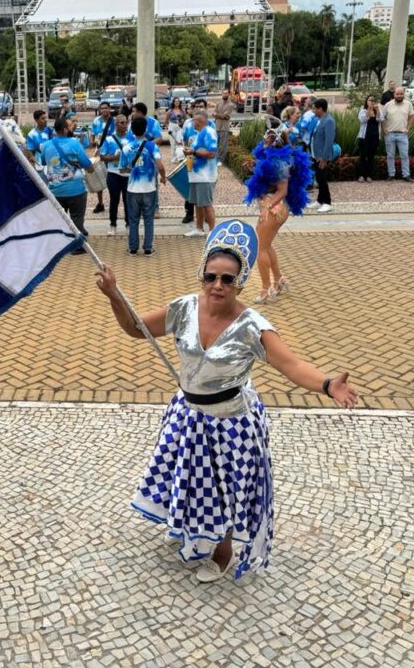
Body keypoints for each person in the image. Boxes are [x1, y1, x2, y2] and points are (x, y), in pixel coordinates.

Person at [94, 220, 358, 583]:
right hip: (189, 415)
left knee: (228, 489)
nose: (217, 285)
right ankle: (194, 530)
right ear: (201, 275)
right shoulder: (183, 308)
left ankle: (223, 551)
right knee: (190, 478)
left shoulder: (253, 326)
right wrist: (114, 295)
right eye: (211, 276)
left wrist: (328, 385)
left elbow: (292, 365)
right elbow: (136, 328)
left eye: (227, 279)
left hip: (232, 423)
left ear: (240, 282)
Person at [244, 126, 313, 303]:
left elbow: (282, 190)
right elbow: (269, 180)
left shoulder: (279, 163)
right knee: (266, 246)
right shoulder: (273, 159)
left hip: (275, 209)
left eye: (267, 139)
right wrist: (254, 169)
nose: (263, 142)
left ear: (274, 141)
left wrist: (268, 208)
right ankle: (279, 280)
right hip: (273, 207)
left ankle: (267, 290)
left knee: (259, 248)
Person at [38, 117, 95, 254]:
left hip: (55, 190)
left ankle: (60, 245)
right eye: (69, 126)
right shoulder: (75, 144)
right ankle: (77, 247)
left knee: (60, 220)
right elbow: (88, 166)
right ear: (64, 129)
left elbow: (44, 162)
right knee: (77, 218)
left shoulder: (46, 145)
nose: (72, 127)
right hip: (76, 190)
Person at [120, 116, 166, 256]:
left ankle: (133, 248)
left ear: (132, 130)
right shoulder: (152, 146)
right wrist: (163, 177)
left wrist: (133, 169)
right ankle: (148, 247)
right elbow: (160, 166)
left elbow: (122, 169)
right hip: (149, 188)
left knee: (133, 220)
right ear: (146, 129)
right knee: (148, 219)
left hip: (132, 189)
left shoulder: (126, 147)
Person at [182, 110, 218, 237]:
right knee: (198, 203)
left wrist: (193, 152)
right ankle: (199, 228)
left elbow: (212, 153)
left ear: (198, 122)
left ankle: (213, 231)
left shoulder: (209, 132)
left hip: (205, 176)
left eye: (193, 120)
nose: (192, 122)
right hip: (197, 175)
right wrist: (190, 151)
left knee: (206, 203)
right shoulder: (199, 133)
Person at [99, 114, 131, 236]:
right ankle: (113, 225)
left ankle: (129, 224)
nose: (124, 124)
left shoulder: (132, 139)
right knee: (114, 200)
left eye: (126, 122)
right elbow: (102, 157)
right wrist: (115, 158)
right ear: (116, 124)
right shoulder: (109, 140)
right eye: (121, 122)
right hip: (113, 174)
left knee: (128, 201)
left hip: (127, 174)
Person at [179, 99, 208, 225]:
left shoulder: (210, 125)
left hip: (205, 163)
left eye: (201, 106)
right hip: (191, 160)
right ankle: (189, 213)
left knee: (205, 191)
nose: (198, 108)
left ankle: (206, 216)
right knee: (190, 188)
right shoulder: (188, 123)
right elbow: (184, 139)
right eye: (196, 106)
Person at [381, 86, 414, 181]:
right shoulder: (388, 105)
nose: (399, 96)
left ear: (403, 94)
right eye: (397, 94)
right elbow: (382, 118)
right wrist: (384, 129)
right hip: (390, 134)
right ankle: (391, 175)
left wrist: (408, 128)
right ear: (394, 94)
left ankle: (406, 175)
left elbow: (412, 116)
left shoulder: (408, 104)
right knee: (390, 155)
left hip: (402, 134)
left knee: (404, 155)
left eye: (401, 94)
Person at [309, 99, 337, 213]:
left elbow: (329, 141)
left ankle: (327, 202)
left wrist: (324, 158)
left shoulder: (329, 121)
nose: (313, 110)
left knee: (322, 179)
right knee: (319, 178)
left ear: (321, 109)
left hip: (322, 157)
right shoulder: (319, 120)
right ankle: (320, 200)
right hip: (316, 155)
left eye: (315, 108)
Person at [357, 96, 381, 183]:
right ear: (366, 101)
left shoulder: (377, 110)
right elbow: (363, 120)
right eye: (370, 100)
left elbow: (380, 119)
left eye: (373, 100)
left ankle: (369, 175)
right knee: (363, 156)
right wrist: (369, 110)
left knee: (371, 156)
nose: (372, 102)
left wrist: (377, 110)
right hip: (364, 137)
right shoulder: (363, 111)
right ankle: (361, 175)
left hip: (374, 136)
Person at [213, 88, 235, 164]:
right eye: (223, 93)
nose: (224, 94)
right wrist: (219, 115)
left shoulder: (230, 105)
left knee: (223, 145)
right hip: (217, 126)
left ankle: (221, 160)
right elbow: (214, 112)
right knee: (216, 144)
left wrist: (217, 115)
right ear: (222, 94)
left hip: (224, 127)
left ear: (228, 94)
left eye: (226, 93)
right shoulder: (218, 103)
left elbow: (225, 116)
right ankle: (216, 158)